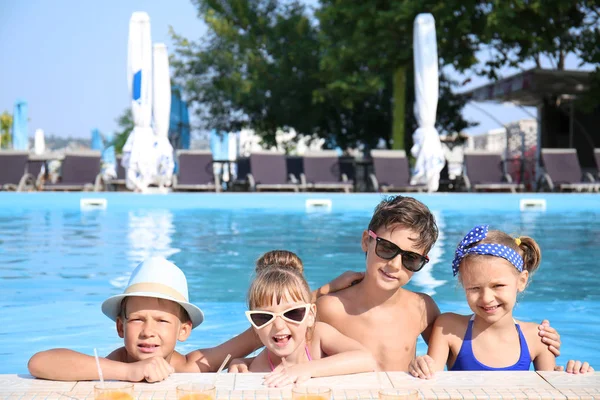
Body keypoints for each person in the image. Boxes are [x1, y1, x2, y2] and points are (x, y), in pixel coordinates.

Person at [314, 196, 563, 372]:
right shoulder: (329, 307)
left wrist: (540, 342)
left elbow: (471, 341)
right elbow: (281, 328)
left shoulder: (422, 308)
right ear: (366, 242)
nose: (395, 265)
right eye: (387, 248)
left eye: (411, 258)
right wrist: (323, 290)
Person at [408, 225, 594, 378]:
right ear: (463, 285)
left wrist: (574, 375)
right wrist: (421, 367)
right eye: (474, 288)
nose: (486, 298)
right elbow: (430, 384)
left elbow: (551, 391)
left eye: (497, 286)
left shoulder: (537, 338)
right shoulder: (449, 328)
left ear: (521, 281)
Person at [28, 257, 251, 382]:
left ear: (183, 330)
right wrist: (127, 372)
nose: (148, 331)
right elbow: (38, 363)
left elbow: (255, 336)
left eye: (161, 321)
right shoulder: (116, 363)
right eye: (137, 319)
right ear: (120, 326)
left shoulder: (190, 367)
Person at [242, 266, 376, 387]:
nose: (279, 325)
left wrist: (306, 368)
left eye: (292, 313)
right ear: (254, 325)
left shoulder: (318, 336)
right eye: (264, 317)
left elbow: (366, 359)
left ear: (310, 316)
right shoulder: (259, 369)